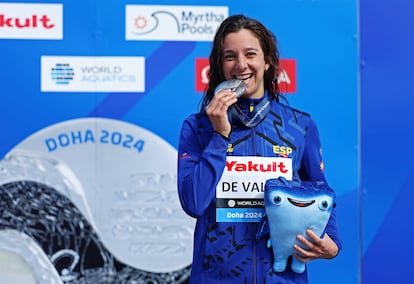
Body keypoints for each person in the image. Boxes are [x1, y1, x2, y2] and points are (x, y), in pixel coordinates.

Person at [177, 14, 342, 283]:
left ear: (267, 62)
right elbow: (194, 203)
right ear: (219, 66)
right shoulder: (197, 127)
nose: (241, 65)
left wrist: (332, 243)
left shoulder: (300, 126)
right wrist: (219, 135)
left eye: (250, 54)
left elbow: (322, 191)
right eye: (230, 56)